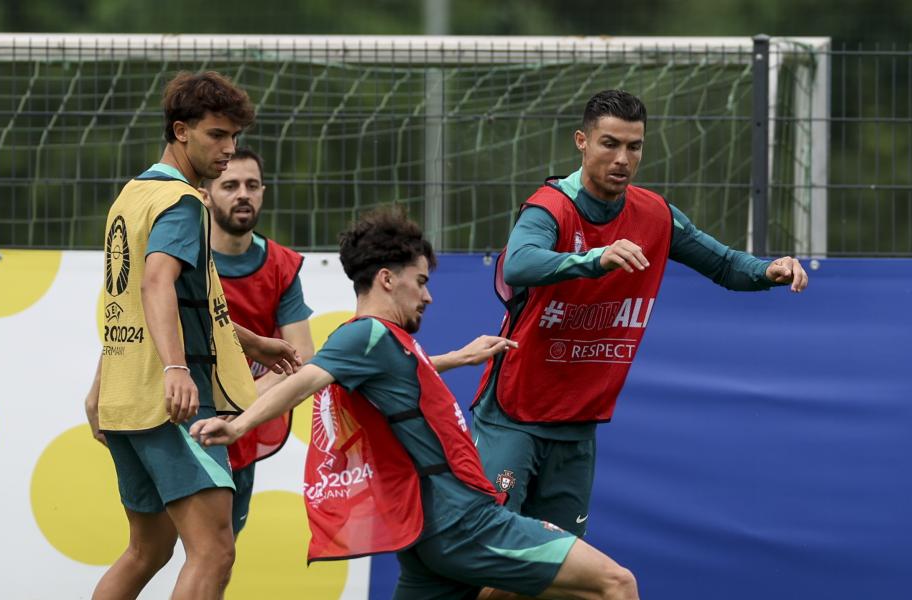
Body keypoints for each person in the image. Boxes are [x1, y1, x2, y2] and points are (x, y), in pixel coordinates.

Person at [189, 209, 640, 600]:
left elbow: (404, 376)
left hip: (429, 536)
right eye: (421, 281)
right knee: (616, 584)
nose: (428, 295)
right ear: (387, 279)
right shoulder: (365, 334)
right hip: (466, 523)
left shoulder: (385, 342)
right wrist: (238, 427)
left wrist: (457, 357)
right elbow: (306, 377)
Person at [470, 89, 810, 538]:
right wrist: (595, 258)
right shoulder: (551, 206)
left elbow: (726, 265)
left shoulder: (655, 215)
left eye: (634, 146)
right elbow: (519, 262)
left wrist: (769, 269)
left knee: (556, 572)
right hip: (513, 414)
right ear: (582, 141)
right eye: (609, 143)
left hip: (577, 425)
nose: (622, 159)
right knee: (489, 551)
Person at [82, 71, 300, 600]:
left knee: (147, 550)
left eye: (232, 136)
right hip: (175, 402)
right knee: (214, 551)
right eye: (216, 136)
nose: (228, 149)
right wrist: (178, 369)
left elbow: (134, 300)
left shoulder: (132, 195)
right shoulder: (181, 202)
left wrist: (254, 343)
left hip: (125, 398)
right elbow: (157, 281)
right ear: (181, 131)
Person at [198, 147, 316, 536]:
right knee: (151, 552)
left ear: (263, 192)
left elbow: (303, 359)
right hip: (178, 420)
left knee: (220, 558)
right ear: (206, 194)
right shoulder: (182, 259)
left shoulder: (282, 266)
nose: (242, 194)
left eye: (252, 185)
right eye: (230, 185)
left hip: (237, 434)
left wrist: (239, 401)